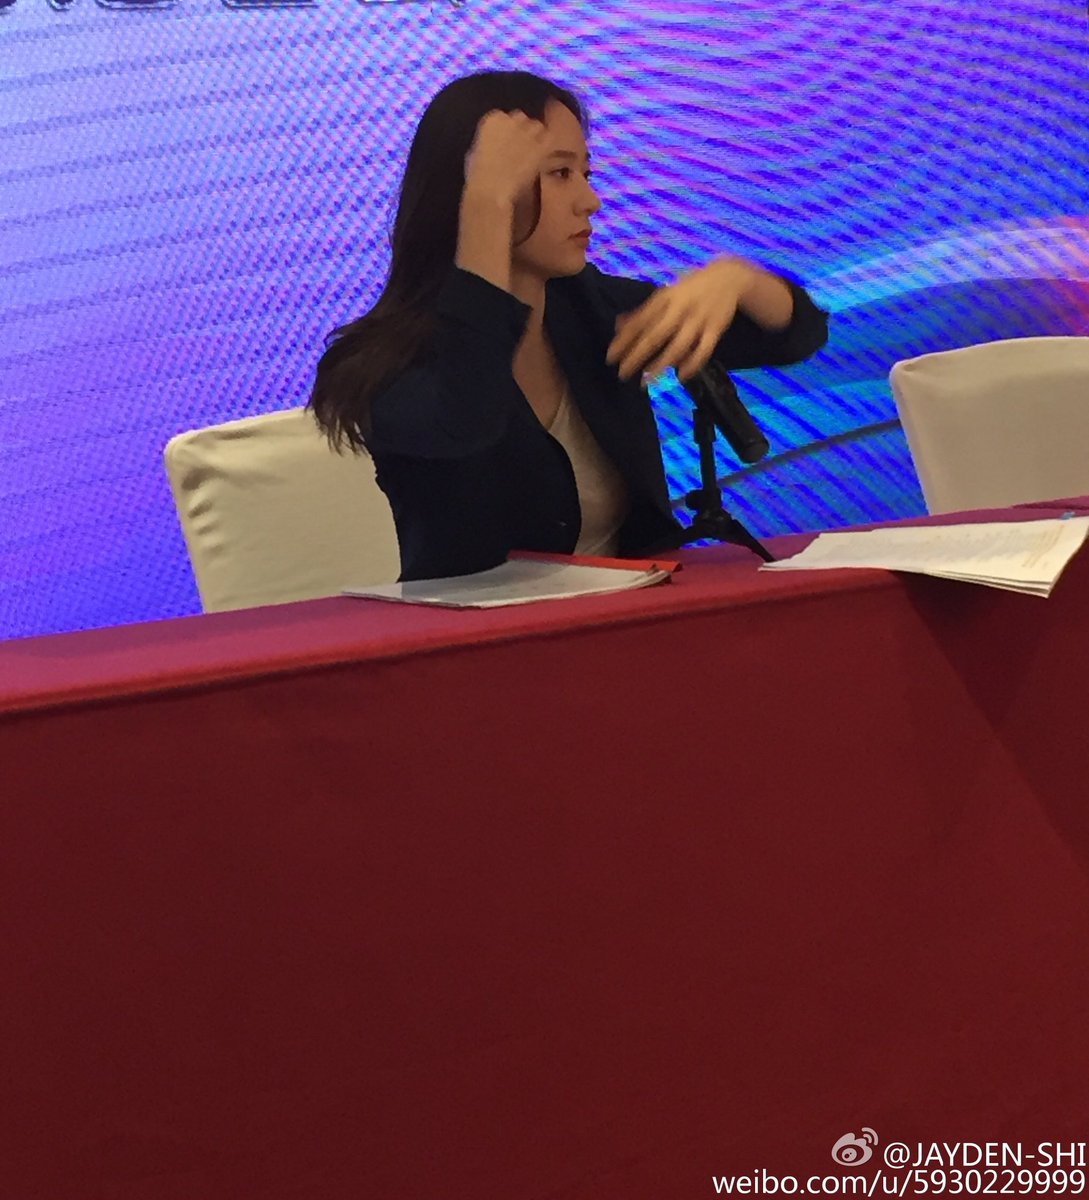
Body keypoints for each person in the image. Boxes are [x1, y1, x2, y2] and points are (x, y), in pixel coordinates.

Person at [309, 70, 828, 580]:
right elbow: (464, 416)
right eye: (559, 174)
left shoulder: (596, 311)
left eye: (586, 174)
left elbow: (794, 337)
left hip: (639, 615)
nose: (589, 201)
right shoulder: (376, 362)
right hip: (483, 631)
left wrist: (739, 281)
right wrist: (487, 210)